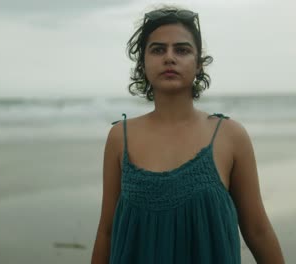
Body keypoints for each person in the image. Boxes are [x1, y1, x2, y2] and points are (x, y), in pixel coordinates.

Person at [91, 5, 284, 264]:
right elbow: (106, 232)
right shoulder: (120, 138)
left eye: (182, 50)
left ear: (198, 64)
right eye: (158, 49)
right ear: (143, 63)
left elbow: (258, 230)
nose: (169, 58)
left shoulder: (229, 136)